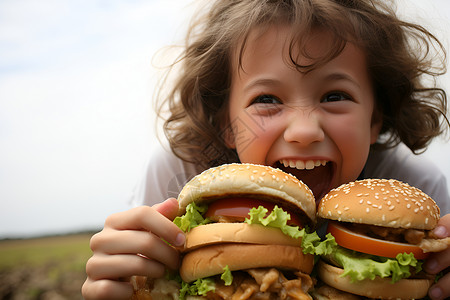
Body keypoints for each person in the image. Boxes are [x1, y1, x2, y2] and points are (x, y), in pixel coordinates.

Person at [82, 0, 450, 299]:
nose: (304, 131)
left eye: (335, 96)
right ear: (225, 123)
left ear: (375, 119)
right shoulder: (177, 174)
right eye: (267, 98)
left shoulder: (415, 188)